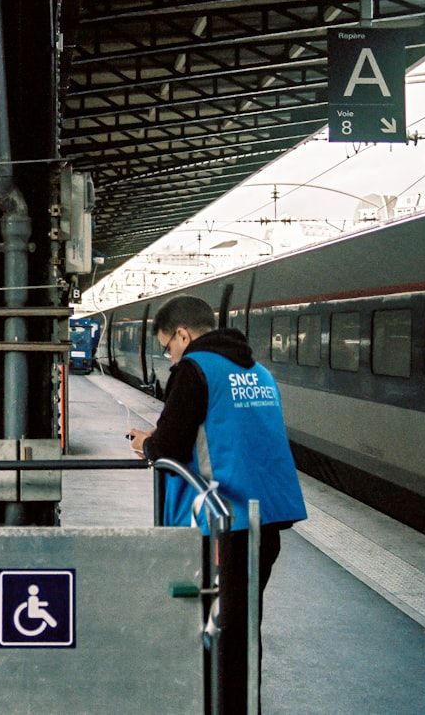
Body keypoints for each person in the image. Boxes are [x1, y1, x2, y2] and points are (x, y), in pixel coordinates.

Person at [127, 294, 306, 714]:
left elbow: (168, 446)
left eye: (167, 346)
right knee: (244, 629)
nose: (169, 357)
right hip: (265, 524)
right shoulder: (258, 372)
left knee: (217, 631)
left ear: (183, 335)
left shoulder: (194, 369)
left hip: (222, 524)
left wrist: (146, 444)